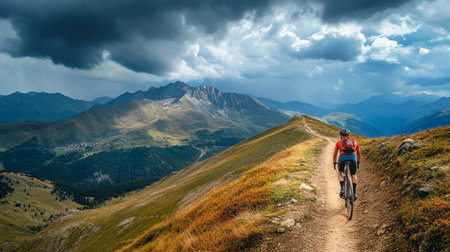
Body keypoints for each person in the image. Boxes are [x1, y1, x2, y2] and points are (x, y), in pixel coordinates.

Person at [333, 129, 361, 200]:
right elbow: (359, 153)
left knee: (340, 173)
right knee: (353, 174)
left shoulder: (339, 142)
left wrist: (334, 162)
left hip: (343, 158)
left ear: (341, 136)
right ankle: (354, 193)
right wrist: (358, 162)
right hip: (353, 158)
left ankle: (342, 189)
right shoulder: (354, 142)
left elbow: (335, 154)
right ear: (348, 136)